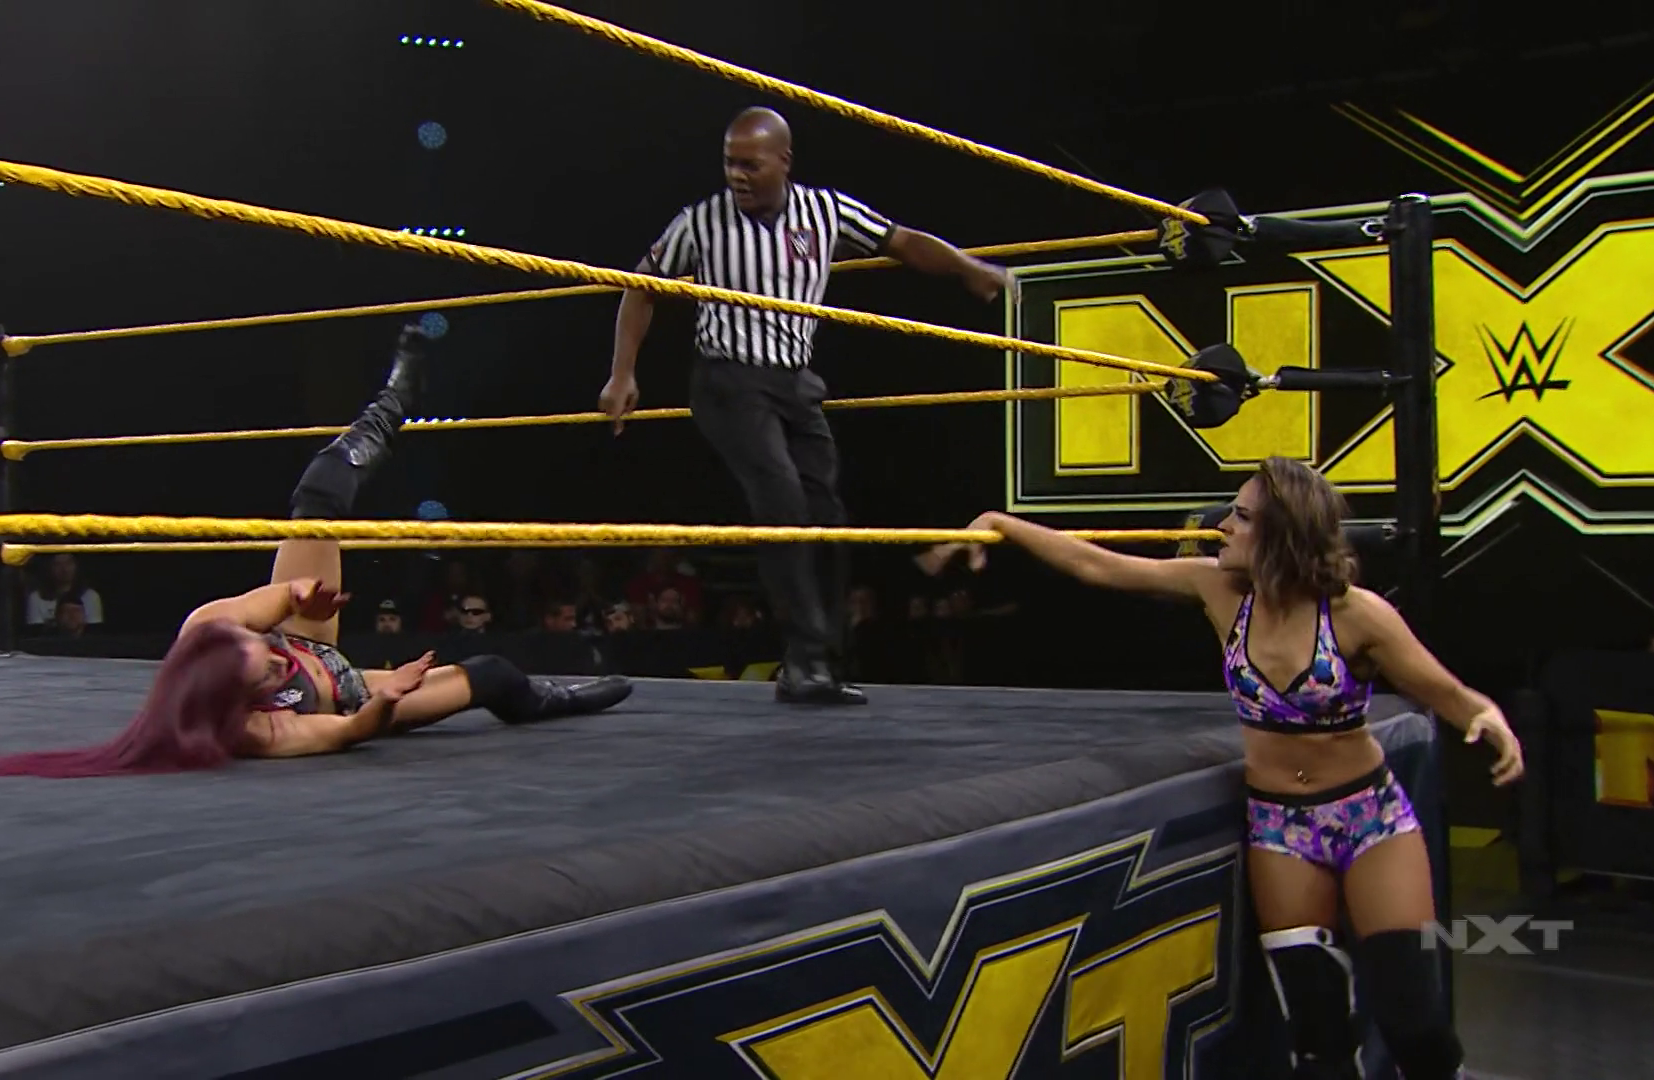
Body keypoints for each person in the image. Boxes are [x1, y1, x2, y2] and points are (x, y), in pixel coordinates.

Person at [922, 456, 1522, 1080]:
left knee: (1414, 1021)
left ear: (1282, 532)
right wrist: (1002, 522)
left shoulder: (1354, 613)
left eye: (1241, 516)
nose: (1222, 527)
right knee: (1316, 1035)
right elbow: (1097, 565)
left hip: (1370, 818)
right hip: (1281, 827)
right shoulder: (1218, 589)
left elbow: (1446, 691)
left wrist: (1488, 718)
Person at [0, 325, 634, 778]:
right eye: (265, 674)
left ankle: (393, 399)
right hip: (354, 691)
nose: (273, 663)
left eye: (256, 651)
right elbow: (340, 733)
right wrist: (386, 701)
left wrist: (297, 599)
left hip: (309, 631)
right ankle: (549, 700)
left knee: (318, 496)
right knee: (492, 672)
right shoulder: (253, 732)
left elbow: (262, 608)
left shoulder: (208, 628)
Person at [601, 106, 1006, 707]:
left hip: (796, 384)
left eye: (750, 165)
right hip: (728, 382)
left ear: (783, 162)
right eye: (729, 163)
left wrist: (967, 268)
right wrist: (622, 372)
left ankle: (826, 661)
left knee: (827, 516)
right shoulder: (701, 220)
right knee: (783, 501)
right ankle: (804, 660)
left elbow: (903, 241)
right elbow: (642, 286)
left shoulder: (826, 211)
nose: (736, 176)